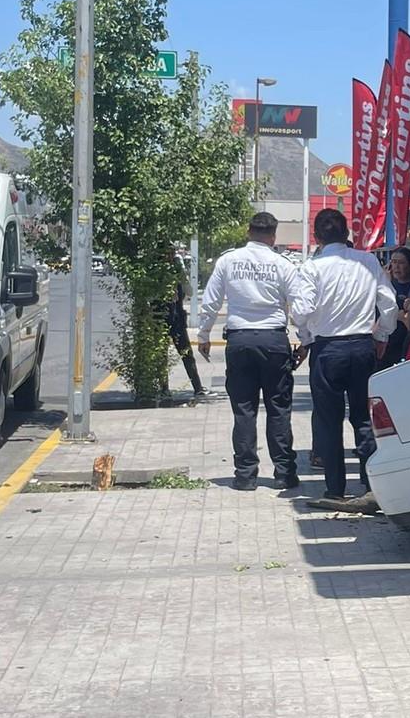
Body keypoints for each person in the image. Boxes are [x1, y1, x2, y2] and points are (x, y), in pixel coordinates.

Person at [292, 208, 397, 514]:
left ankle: (335, 489)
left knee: (328, 420)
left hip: (328, 349)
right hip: (362, 345)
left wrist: (307, 335)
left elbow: (301, 311)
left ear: (317, 236)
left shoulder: (312, 268)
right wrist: (382, 337)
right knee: (364, 418)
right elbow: (388, 303)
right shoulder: (367, 260)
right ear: (347, 233)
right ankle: (370, 487)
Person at [197, 212, 308, 492]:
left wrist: (203, 334)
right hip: (273, 341)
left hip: (240, 340)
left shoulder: (228, 261)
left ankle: (245, 475)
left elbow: (210, 301)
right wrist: (305, 340)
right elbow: (300, 308)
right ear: (273, 235)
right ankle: (284, 473)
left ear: (248, 232)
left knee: (244, 410)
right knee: (278, 409)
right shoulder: (282, 264)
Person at [158, 252, 212, 399]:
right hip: (167, 319)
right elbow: (189, 291)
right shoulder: (163, 272)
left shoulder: (169, 272)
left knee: (180, 355)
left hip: (170, 318)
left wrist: (180, 271)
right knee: (172, 356)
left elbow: (189, 291)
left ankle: (193, 387)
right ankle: (169, 389)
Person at [379, 246, 410, 368]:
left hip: (405, 340)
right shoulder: (388, 283)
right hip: (387, 340)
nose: (396, 267)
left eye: (401, 263)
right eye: (393, 262)